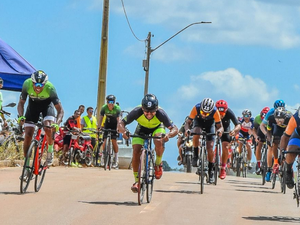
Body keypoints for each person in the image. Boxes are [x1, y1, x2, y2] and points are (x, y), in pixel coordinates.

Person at [118, 94, 178, 193]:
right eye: (146, 112)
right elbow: (121, 123)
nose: (149, 114)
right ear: (142, 108)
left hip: (157, 128)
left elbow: (174, 128)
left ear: (156, 109)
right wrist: (124, 132)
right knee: (136, 151)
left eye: (152, 112)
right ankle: (137, 181)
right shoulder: (137, 111)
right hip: (141, 128)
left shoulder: (161, 113)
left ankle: (158, 163)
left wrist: (169, 135)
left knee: (159, 140)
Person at [17, 70, 64, 174]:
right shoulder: (27, 84)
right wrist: (21, 117)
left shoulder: (50, 88)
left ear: (45, 84)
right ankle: (27, 164)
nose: (38, 87)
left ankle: (50, 151)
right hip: (33, 107)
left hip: (47, 106)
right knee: (28, 135)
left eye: (41, 85)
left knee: (48, 128)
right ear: (32, 82)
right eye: (36, 84)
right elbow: (21, 103)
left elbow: (60, 110)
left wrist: (57, 123)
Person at [184, 98, 223, 183]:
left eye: (207, 113)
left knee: (210, 147)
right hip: (199, 122)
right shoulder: (196, 108)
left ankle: (211, 170)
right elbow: (188, 122)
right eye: (203, 112)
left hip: (210, 125)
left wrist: (219, 131)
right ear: (200, 109)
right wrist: (187, 130)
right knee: (196, 132)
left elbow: (220, 127)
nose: (204, 114)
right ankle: (195, 155)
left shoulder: (215, 112)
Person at [260, 99, 285, 181]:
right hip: (273, 126)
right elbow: (262, 126)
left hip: (283, 128)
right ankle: (269, 170)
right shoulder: (270, 113)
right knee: (271, 146)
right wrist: (267, 135)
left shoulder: (286, 114)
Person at [215, 100, 241, 179]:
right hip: (214, 127)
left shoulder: (229, 112)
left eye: (222, 114)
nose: (221, 115)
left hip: (225, 129)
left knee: (225, 146)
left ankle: (223, 168)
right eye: (219, 113)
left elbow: (238, 125)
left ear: (226, 111)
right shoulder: (213, 112)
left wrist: (234, 131)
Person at [266, 107, 292, 181]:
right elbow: (268, 131)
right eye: (277, 119)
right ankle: (276, 162)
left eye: (280, 119)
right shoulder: (271, 118)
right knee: (275, 142)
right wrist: (269, 139)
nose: (278, 121)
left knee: (288, 143)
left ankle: (286, 161)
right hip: (277, 129)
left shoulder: (289, 118)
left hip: (287, 128)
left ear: (285, 117)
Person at [97, 95, 121, 169]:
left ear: (114, 102)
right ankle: (103, 158)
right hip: (107, 122)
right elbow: (101, 118)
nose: (110, 104)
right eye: (109, 102)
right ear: (107, 102)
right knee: (104, 141)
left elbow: (118, 120)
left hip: (115, 123)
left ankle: (116, 160)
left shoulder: (117, 108)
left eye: (112, 102)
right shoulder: (104, 107)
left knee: (114, 141)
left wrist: (118, 128)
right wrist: (99, 126)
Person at [280, 107, 300, 189]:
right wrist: (282, 152)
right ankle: (288, 171)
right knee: (291, 151)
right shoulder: (295, 119)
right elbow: (285, 137)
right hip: (298, 135)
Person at [253, 106, 270, 174]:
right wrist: (256, 136)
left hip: (269, 130)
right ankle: (258, 163)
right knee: (259, 144)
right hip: (260, 131)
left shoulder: (272, 117)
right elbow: (254, 129)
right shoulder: (257, 118)